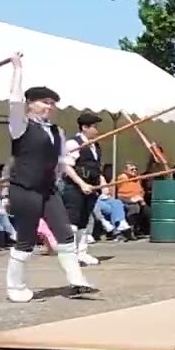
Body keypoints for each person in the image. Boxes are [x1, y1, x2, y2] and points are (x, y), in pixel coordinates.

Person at [3, 53, 99, 302]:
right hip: (23, 189)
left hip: (48, 190)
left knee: (65, 233)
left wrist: (63, 176)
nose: (49, 107)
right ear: (31, 103)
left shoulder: (58, 131)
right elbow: (14, 101)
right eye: (44, 102)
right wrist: (17, 70)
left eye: (52, 103)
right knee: (25, 238)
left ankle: (77, 279)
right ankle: (15, 287)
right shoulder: (20, 125)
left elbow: (61, 161)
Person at [61, 111, 104, 266]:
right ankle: (70, 253)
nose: (96, 130)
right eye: (94, 126)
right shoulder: (73, 143)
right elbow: (67, 166)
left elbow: (95, 167)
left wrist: (101, 182)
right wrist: (81, 184)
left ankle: (82, 252)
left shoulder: (95, 145)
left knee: (84, 221)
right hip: (75, 187)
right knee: (73, 219)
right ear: (85, 127)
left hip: (92, 187)